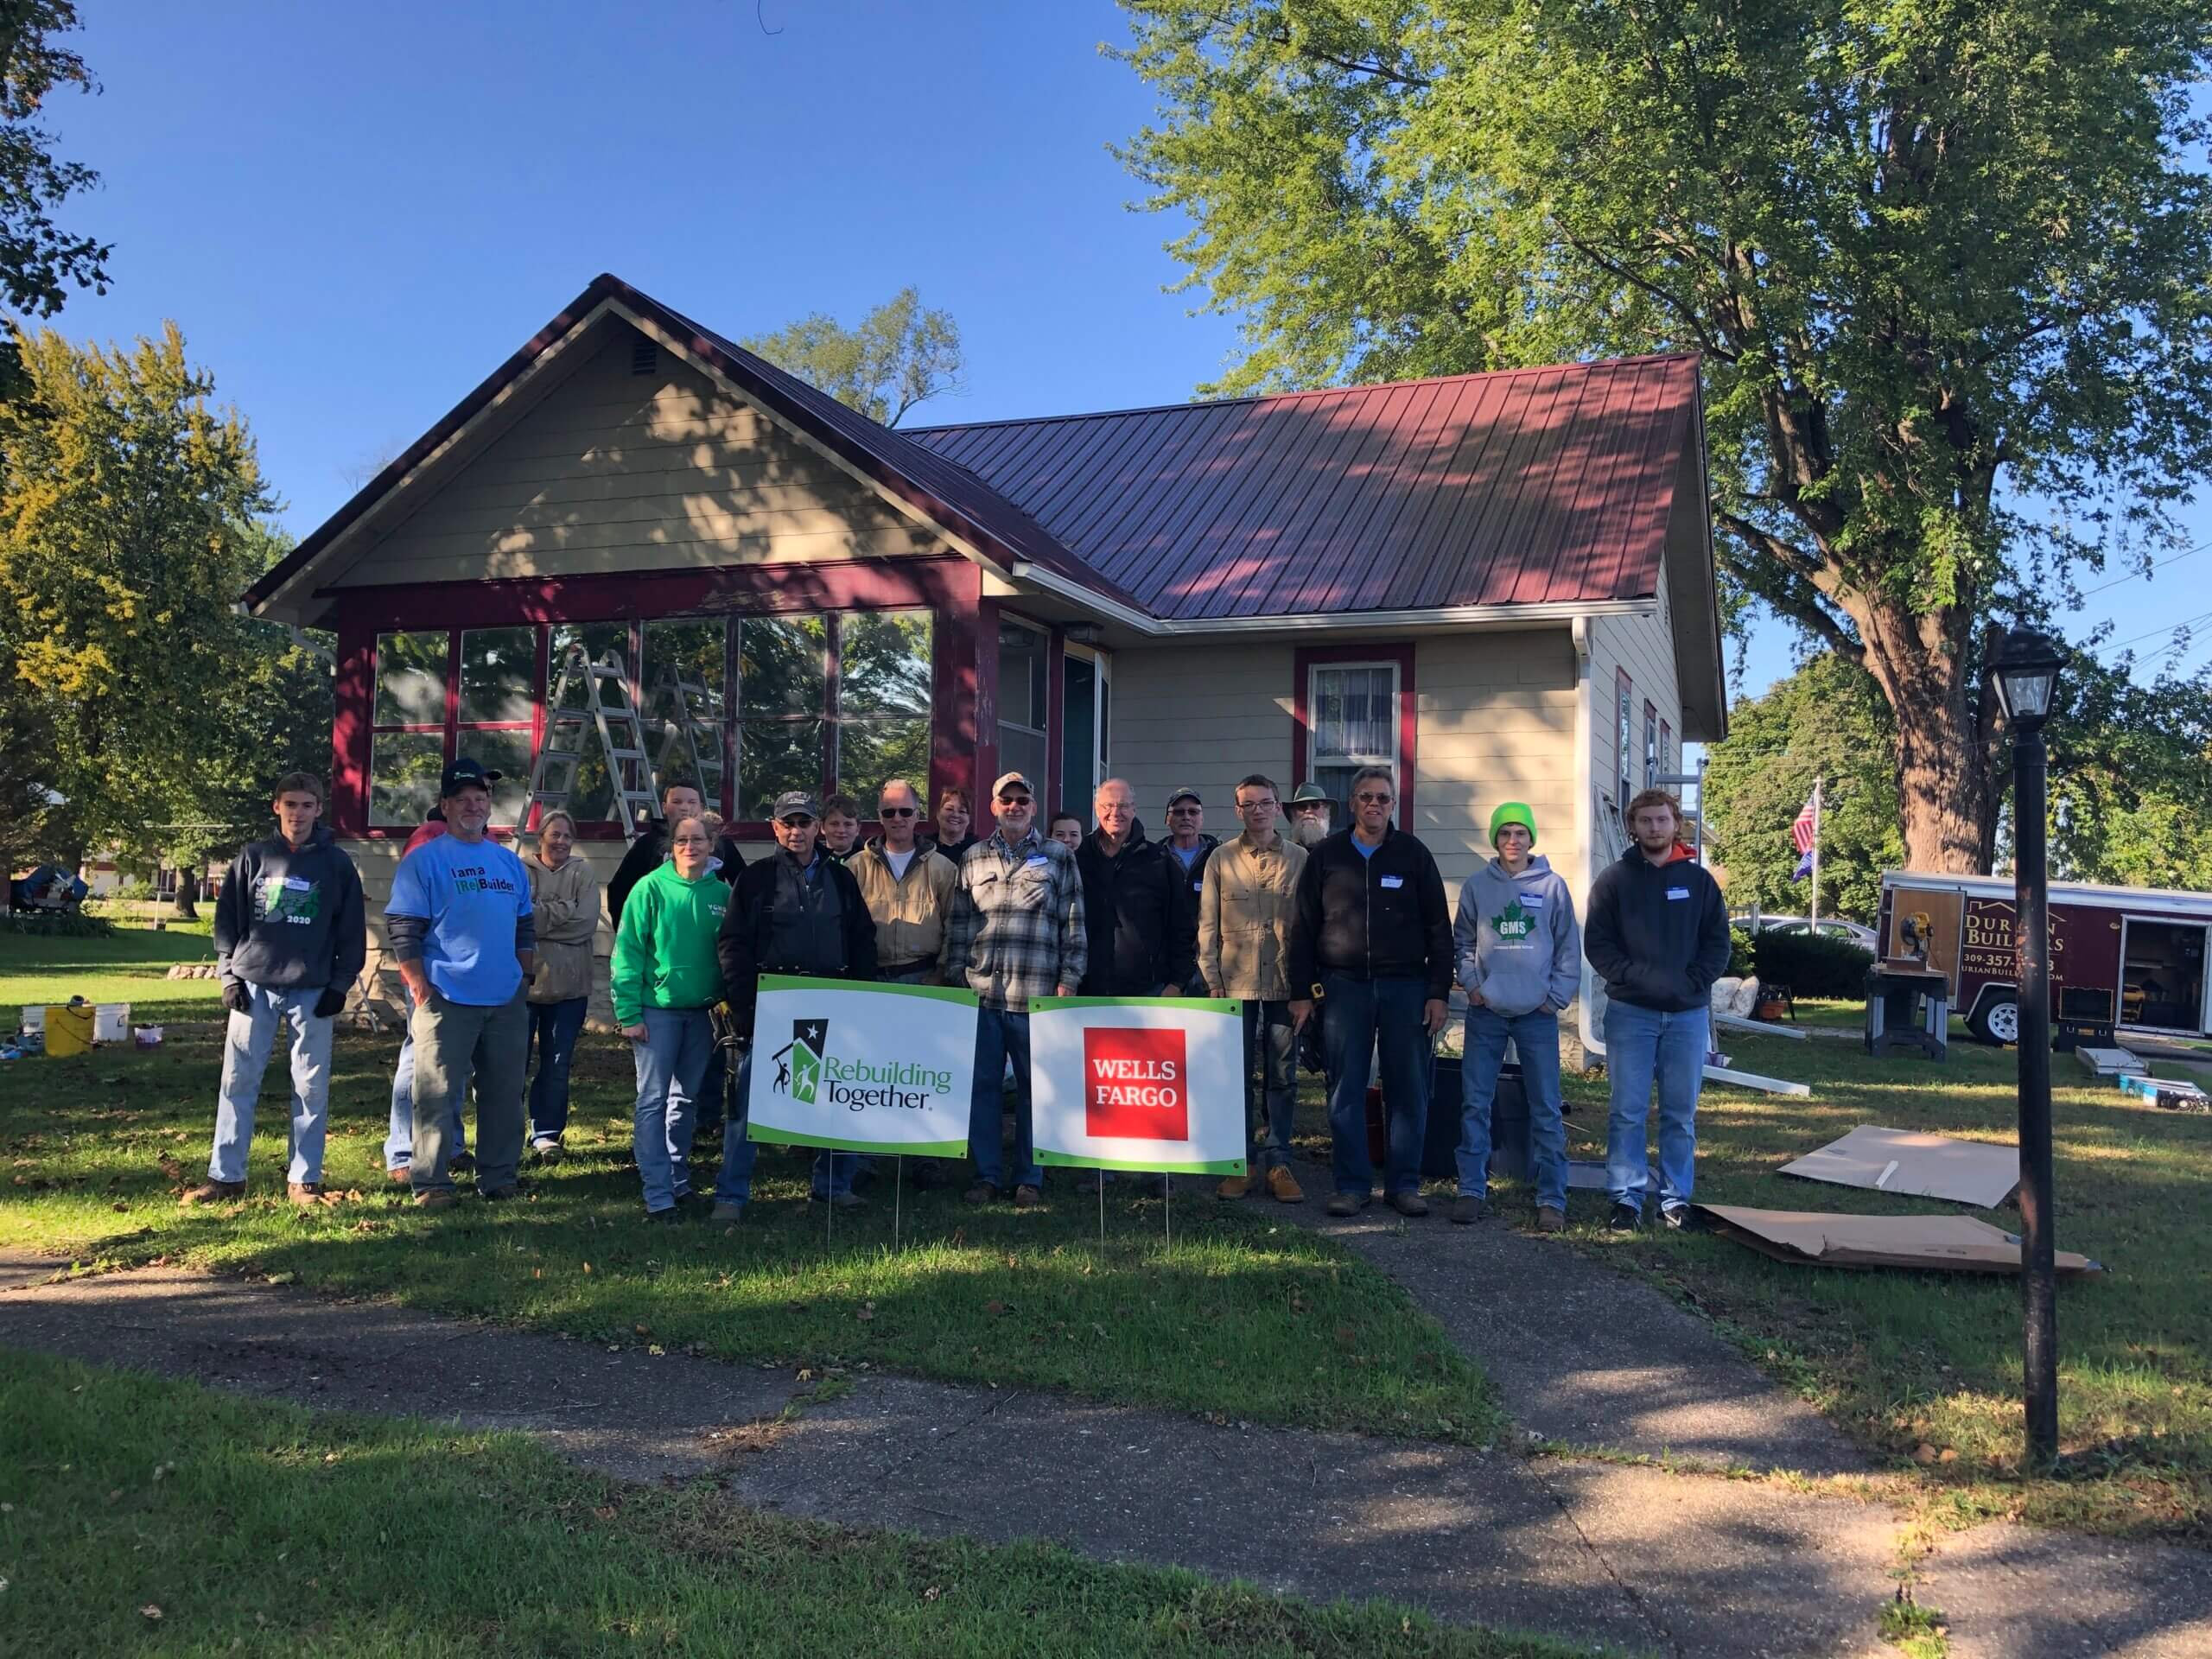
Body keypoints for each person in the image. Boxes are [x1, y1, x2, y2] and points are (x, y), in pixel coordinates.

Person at [182, 772, 366, 1206]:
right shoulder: (253, 857)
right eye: (290, 805)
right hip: (254, 985)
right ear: (276, 808)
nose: (298, 814)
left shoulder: (336, 864)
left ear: (319, 809)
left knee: (311, 1086)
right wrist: (228, 977)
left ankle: (304, 1179)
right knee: (238, 1080)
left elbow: (352, 931)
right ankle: (226, 1176)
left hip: (313, 990)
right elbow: (228, 920)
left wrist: (340, 984)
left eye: (307, 805)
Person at [1287, 766, 1452, 1218]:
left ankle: (1403, 1185)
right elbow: (1302, 928)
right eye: (1365, 797)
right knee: (1345, 1089)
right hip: (1343, 988)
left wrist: (1438, 991)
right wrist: (1301, 991)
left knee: (1408, 1088)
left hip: (1406, 988)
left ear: (1393, 804)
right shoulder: (1327, 857)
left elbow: (1439, 928)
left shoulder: (1413, 855)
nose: (1374, 805)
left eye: (1382, 797)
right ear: (1353, 804)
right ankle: (1352, 1185)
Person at [712, 792, 879, 1221]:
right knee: (749, 1105)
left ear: (816, 828)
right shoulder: (755, 879)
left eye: (804, 822)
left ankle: (833, 1185)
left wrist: (861, 996)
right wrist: (746, 1006)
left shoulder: (840, 879)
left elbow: (861, 938)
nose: (795, 831)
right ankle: (731, 1195)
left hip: (834, 998)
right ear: (774, 827)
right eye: (787, 823)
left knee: (837, 1099)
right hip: (776, 1002)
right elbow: (733, 944)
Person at [384, 757, 536, 1207]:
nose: (473, 806)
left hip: (505, 998)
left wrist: (523, 976)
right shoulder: (424, 861)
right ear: (445, 807)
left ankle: (499, 1177)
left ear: (490, 806)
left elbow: (525, 925)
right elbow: (403, 926)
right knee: (435, 1094)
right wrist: (417, 982)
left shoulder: (508, 864)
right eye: (463, 800)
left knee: (505, 1093)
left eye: (480, 799)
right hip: (446, 994)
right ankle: (430, 1182)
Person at [1584, 788, 1731, 1231]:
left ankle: (1674, 1201)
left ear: (1675, 824)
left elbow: (1717, 944)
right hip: (1631, 1013)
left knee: (1679, 1113)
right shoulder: (1614, 881)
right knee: (1626, 1110)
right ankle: (1626, 1200)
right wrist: (1633, 978)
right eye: (1645, 821)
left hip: (1686, 1016)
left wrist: (1691, 983)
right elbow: (1599, 945)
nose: (1654, 828)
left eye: (1661, 820)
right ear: (1633, 827)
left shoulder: (1699, 882)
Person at [943, 770, 1085, 1207]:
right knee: (982, 1088)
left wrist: (1070, 978)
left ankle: (1029, 1177)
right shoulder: (973, 856)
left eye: (1023, 800)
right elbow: (960, 922)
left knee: (1034, 1090)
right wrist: (955, 976)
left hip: (1035, 993)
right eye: (1007, 801)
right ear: (994, 807)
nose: (1015, 807)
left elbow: (1074, 922)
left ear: (1034, 806)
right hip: (982, 990)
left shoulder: (1058, 855)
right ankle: (986, 1175)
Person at [1450, 803, 1580, 1230]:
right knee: (1475, 1102)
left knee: (1545, 1106)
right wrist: (1473, 986)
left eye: (1520, 833)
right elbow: (1463, 942)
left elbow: (1566, 949)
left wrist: (1555, 997)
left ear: (1531, 839)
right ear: (1495, 838)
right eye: (1504, 832)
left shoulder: (1552, 887)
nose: (1512, 840)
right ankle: (1471, 1188)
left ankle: (1551, 1197)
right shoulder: (1477, 887)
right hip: (1487, 1013)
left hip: (1536, 1016)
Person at [610, 815, 728, 1222]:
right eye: (682, 840)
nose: (690, 846)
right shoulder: (649, 889)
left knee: (686, 1099)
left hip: (701, 1013)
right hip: (656, 1011)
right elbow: (627, 952)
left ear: (711, 845)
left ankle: (679, 1180)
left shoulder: (723, 893)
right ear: (670, 845)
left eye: (698, 840)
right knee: (653, 1100)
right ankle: (657, 1193)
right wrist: (628, 1012)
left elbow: (728, 954)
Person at [1197, 773, 1306, 1204]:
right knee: (1234, 1077)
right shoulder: (1220, 859)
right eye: (1248, 804)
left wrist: (1305, 990)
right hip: (1233, 987)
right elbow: (1207, 926)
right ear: (1237, 810)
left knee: (1282, 1076)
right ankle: (1240, 1162)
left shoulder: (1299, 859)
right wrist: (1212, 982)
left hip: (1284, 985)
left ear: (1278, 807)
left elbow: (1310, 928)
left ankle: (1279, 1162)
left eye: (1265, 803)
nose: (1257, 810)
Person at [385, 802, 468, 1182]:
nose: (480, 801)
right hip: (430, 975)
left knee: (454, 1064)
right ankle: (403, 1151)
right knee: (417, 1059)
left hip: (464, 979)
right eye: (469, 794)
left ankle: (450, 1146)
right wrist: (416, 974)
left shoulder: (475, 842)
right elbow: (413, 915)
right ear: (448, 803)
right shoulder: (428, 840)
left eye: (486, 792)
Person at [524, 809, 601, 1160]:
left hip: (570, 987)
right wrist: (562, 909)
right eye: (555, 835)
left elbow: (585, 925)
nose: (561, 842)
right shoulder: (520, 869)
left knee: (557, 1063)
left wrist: (542, 913)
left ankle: (547, 1134)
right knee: (513, 1062)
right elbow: (519, 921)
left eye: (568, 836)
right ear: (541, 836)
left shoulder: (583, 872)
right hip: (524, 985)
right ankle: (507, 1130)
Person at [1076, 779, 1192, 999]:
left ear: (1134, 809)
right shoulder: (1078, 858)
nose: (1115, 813)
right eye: (1107, 806)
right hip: (1085, 990)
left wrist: (1178, 982)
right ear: (1096, 809)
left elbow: (1181, 925)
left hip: (1148, 991)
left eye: (1123, 806)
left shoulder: (1160, 860)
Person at [607, 779, 744, 929]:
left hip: (709, 936)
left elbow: (746, 888)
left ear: (702, 807)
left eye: (692, 802)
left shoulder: (721, 845)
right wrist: (632, 934)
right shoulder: (647, 846)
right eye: (677, 802)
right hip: (660, 940)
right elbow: (619, 892)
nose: (685, 808)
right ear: (664, 807)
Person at [1162, 786, 1218, 994]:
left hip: (1213, 969)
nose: (1186, 817)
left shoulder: (1219, 858)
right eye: (1178, 812)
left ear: (1202, 818)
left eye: (1193, 812)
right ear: (1167, 819)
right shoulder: (1153, 859)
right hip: (1167, 970)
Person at [933, 785, 977, 862]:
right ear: (938, 814)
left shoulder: (978, 852)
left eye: (962, 811)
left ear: (969, 819)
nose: (955, 815)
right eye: (949, 809)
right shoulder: (924, 849)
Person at [1286, 782, 1334, 849]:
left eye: (1315, 805)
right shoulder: (1284, 852)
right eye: (1302, 806)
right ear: (1294, 813)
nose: (1308, 811)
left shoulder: (1336, 851)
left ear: (1325, 811)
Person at [820, 794, 862, 863]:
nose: (841, 830)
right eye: (834, 824)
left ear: (858, 829)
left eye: (848, 824)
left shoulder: (868, 864)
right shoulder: (812, 861)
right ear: (822, 827)